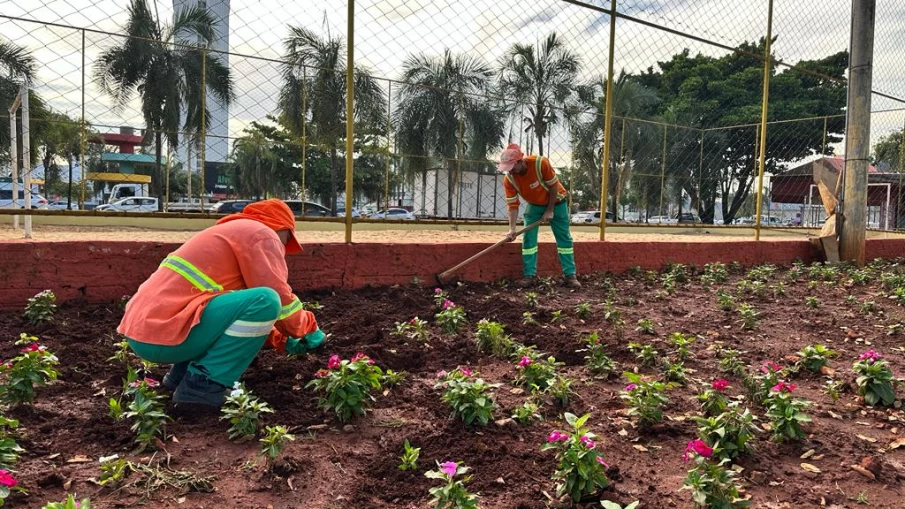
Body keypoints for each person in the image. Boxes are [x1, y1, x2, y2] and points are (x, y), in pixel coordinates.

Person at [118, 199, 326, 408]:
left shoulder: (229, 234)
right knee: (267, 299)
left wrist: (280, 340)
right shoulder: (261, 234)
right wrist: (308, 327)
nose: (283, 248)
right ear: (282, 227)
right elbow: (278, 299)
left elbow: (230, 318)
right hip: (168, 334)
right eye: (287, 239)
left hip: (145, 333)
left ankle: (181, 375)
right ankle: (202, 387)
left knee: (253, 301)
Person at [498, 143, 580, 289]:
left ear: (520, 162)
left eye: (511, 168)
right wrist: (512, 229)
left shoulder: (539, 163)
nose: (509, 172)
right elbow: (512, 205)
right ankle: (529, 276)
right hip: (534, 206)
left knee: (564, 239)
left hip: (557, 202)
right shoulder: (509, 180)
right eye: (507, 169)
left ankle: (570, 276)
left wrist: (549, 210)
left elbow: (553, 187)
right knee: (528, 239)